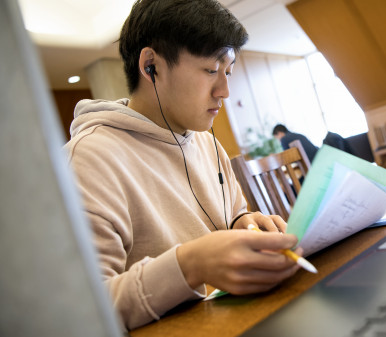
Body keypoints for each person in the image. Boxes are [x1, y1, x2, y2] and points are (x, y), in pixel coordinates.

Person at [64, 0, 303, 330]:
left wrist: (247, 223)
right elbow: (83, 310)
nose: (224, 90)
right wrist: (190, 264)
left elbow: (232, 214)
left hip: (242, 318)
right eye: (210, 71)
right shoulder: (90, 160)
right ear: (152, 66)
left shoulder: (205, 139)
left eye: (228, 72)